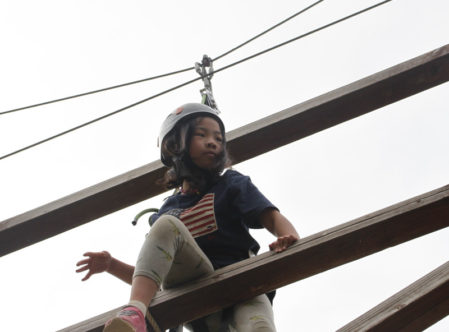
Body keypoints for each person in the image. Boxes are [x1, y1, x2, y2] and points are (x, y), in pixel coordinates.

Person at [76, 103, 300, 332]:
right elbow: (153, 273)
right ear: (174, 146)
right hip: (199, 300)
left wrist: (287, 235)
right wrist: (111, 265)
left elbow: (272, 218)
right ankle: (135, 314)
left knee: (258, 326)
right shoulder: (169, 210)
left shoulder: (231, 184)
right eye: (201, 134)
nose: (212, 141)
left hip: (242, 286)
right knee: (166, 225)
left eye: (219, 139)